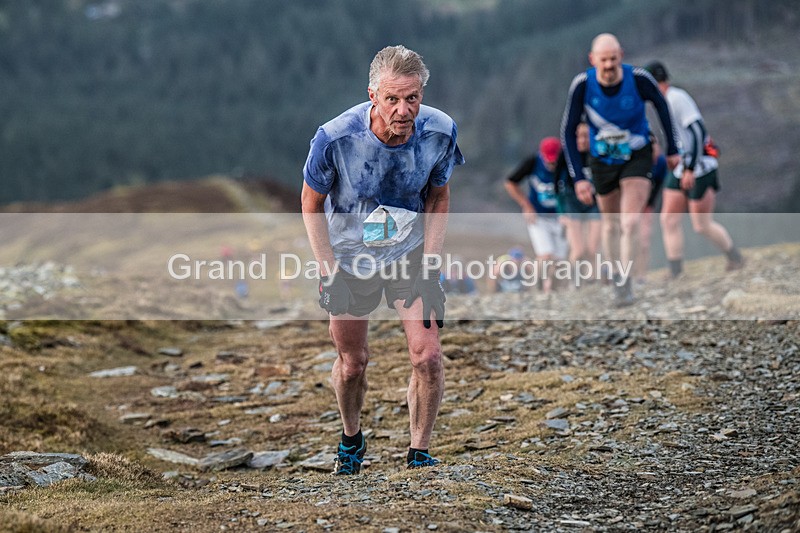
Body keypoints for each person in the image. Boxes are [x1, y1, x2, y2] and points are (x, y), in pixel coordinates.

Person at [301, 45, 464, 475]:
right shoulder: (335, 138)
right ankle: (352, 438)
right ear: (372, 95)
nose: (404, 109)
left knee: (427, 356)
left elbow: (439, 196)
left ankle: (419, 451)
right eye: (393, 98)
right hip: (349, 259)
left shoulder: (440, 132)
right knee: (353, 363)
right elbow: (309, 204)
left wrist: (431, 268)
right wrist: (327, 272)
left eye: (412, 98)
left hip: (408, 254)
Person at [561, 33, 681, 306]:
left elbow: (663, 109)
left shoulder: (638, 78)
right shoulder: (582, 84)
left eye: (613, 59)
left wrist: (673, 148)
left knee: (630, 221)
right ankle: (616, 277)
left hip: (637, 154)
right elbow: (568, 131)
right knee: (611, 223)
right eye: (603, 60)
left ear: (621, 56)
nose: (609, 65)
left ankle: (625, 283)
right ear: (593, 60)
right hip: (602, 160)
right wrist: (579, 177)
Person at [645, 61, 743, 278]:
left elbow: (698, 132)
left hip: (699, 166)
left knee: (701, 225)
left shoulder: (677, 99)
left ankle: (734, 257)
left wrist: (690, 168)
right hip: (680, 166)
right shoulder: (662, 102)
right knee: (668, 219)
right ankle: (676, 271)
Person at [504, 136, 569, 295]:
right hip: (538, 217)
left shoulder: (568, 164)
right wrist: (526, 205)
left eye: (554, 161)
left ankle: (553, 290)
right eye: (549, 161)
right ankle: (540, 285)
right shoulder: (533, 162)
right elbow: (510, 182)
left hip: (561, 217)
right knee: (546, 255)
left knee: (559, 261)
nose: (551, 165)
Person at [555, 122, 602, 286]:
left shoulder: (598, 153)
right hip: (572, 201)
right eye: (578, 136)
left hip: (595, 202)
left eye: (586, 136)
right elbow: (556, 186)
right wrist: (561, 212)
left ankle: (592, 280)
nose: (582, 140)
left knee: (592, 247)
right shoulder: (567, 154)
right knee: (579, 249)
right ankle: (573, 280)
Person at [633, 133, 668, 284]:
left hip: (647, 206)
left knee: (644, 240)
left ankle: (642, 274)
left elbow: (660, 185)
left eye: (655, 146)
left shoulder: (661, 163)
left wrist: (649, 203)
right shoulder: (635, 161)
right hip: (629, 207)